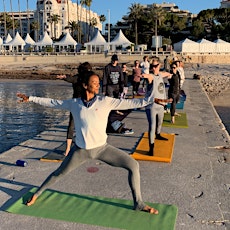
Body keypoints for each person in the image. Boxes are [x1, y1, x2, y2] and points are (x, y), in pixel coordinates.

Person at [17, 70, 158, 214]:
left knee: (133, 165)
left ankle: (139, 203)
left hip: (103, 149)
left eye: (98, 83)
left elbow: (129, 102)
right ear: (85, 85)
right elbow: (53, 103)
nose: (97, 85)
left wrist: (150, 100)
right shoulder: (74, 104)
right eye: (94, 83)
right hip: (80, 151)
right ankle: (36, 194)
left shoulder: (105, 101)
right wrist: (31, 98)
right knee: (58, 174)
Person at [56, 62, 92, 156]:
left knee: (71, 125)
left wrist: (64, 77)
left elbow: (70, 78)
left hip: (76, 103)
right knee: (86, 124)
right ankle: (87, 145)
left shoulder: (78, 77)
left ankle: (67, 149)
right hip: (85, 104)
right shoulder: (88, 78)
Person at [142, 57, 172, 156]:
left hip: (161, 105)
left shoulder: (160, 74)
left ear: (159, 66)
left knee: (160, 122)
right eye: (152, 66)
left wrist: (171, 74)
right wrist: (143, 75)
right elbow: (147, 76)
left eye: (155, 66)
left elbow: (166, 74)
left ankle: (158, 134)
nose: (153, 68)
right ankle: (151, 147)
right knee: (152, 126)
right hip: (151, 106)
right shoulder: (151, 76)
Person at [103, 54, 133, 135]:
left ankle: (115, 111)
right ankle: (109, 111)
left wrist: (122, 87)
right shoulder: (107, 67)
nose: (114, 61)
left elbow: (121, 78)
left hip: (117, 86)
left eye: (116, 60)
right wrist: (104, 90)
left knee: (116, 100)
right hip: (109, 86)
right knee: (109, 99)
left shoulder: (119, 68)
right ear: (111, 60)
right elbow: (105, 78)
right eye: (113, 60)